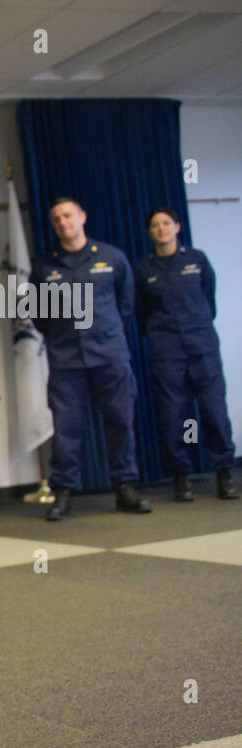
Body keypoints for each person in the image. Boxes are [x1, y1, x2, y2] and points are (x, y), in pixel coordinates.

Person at [30, 198, 151, 520]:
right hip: (66, 361)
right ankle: (64, 493)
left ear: (82, 217)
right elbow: (39, 315)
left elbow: (126, 306)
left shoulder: (111, 257)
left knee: (120, 423)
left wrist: (107, 335)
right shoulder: (44, 267)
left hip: (110, 357)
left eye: (68, 216)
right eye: (56, 219)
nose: (63, 222)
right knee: (66, 430)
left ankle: (125, 487)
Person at [135, 207, 237, 501]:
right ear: (149, 232)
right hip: (166, 350)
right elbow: (141, 314)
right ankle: (181, 476)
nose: (161, 229)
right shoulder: (144, 269)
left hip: (201, 346)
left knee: (214, 412)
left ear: (177, 227)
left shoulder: (197, 260)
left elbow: (209, 301)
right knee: (173, 415)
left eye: (166, 223)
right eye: (155, 225)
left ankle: (224, 472)